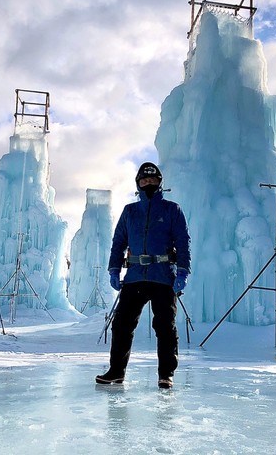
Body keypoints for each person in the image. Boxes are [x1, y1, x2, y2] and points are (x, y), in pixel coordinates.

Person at [96, 162, 191, 389]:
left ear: (159, 183)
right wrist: (114, 269)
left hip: (163, 277)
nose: (148, 183)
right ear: (138, 184)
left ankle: (166, 374)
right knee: (121, 325)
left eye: (152, 180)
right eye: (144, 180)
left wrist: (183, 271)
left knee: (165, 326)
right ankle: (116, 371)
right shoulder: (130, 211)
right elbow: (118, 242)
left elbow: (183, 242)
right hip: (135, 276)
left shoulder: (172, 210)